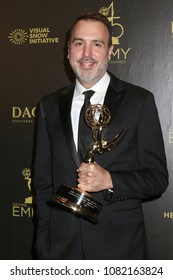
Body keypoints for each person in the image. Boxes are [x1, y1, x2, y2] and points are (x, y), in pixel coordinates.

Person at [33, 12, 168, 260]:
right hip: (61, 249)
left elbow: (157, 179)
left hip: (120, 248)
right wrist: (44, 240)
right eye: (78, 43)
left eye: (97, 44)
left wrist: (109, 180)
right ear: (68, 50)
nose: (86, 53)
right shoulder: (48, 105)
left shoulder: (139, 101)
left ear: (109, 51)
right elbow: (42, 183)